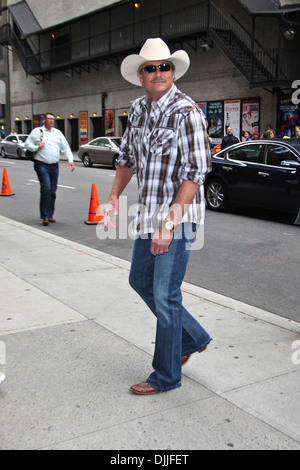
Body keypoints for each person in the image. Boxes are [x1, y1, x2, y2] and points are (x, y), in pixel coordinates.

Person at [104, 38, 212, 395]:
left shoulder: (187, 112)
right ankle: (193, 337)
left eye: (163, 66)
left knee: (165, 295)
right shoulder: (137, 109)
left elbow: (196, 172)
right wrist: (113, 197)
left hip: (177, 220)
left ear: (173, 70)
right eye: (150, 68)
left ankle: (165, 376)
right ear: (140, 75)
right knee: (140, 281)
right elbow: (126, 158)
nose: (158, 73)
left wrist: (168, 225)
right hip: (147, 213)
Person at [25, 113, 75, 226]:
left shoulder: (57, 133)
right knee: (46, 188)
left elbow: (65, 146)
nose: (52, 121)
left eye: (53, 119)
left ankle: (50, 215)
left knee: (52, 191)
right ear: (44, 120)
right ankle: (45, 216)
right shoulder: (37, 131)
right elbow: (27, 144)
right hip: (41, 164)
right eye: (49, 119)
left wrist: (70, 160)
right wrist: (36, 147)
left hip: (54, 165)